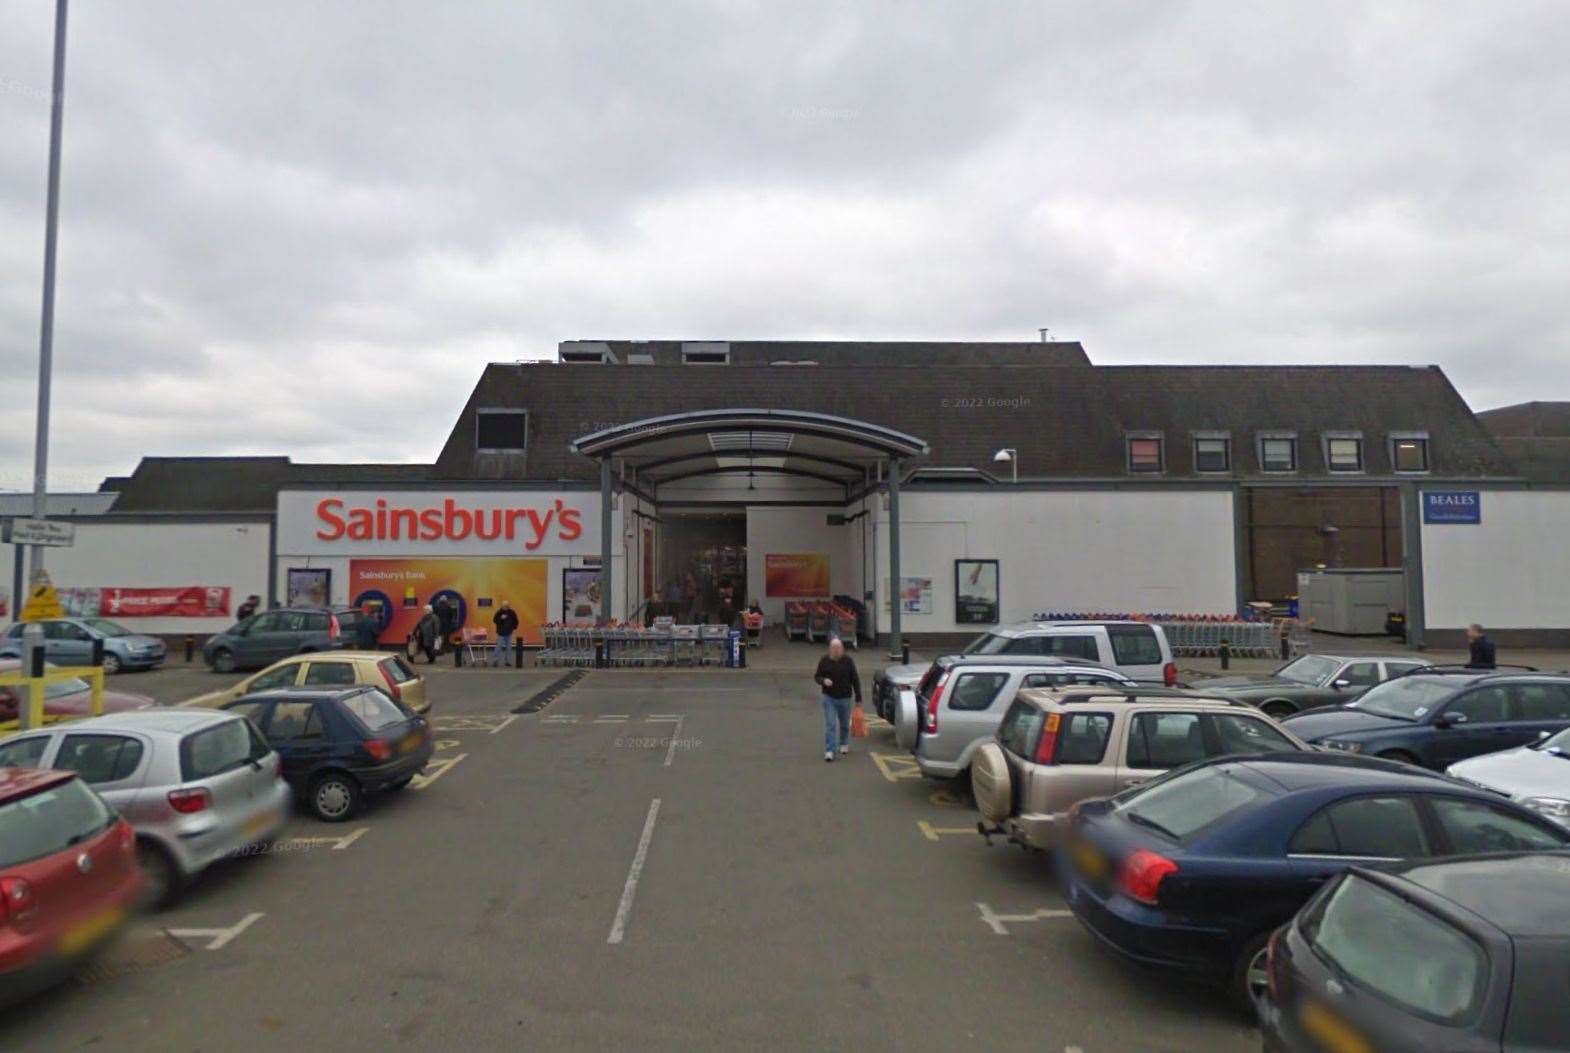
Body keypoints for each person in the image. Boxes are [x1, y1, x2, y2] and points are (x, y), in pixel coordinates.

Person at [813, 637, 862, 762]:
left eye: (838, 648)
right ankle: (830, 750)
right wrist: (823, 680)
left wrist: (858, 698)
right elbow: (817, 676)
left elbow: (855, 679)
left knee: (844, 723)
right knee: (830, 724)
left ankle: (844, 743)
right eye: (833, 648)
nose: (835, 650)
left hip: (845, 697)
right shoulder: (824, 660)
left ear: (842, 649)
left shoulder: (848, 661)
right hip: (829, 697)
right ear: (830, 649)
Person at [491, 600, 519, 666]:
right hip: (501, 633)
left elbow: (516, 620)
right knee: (499, 647)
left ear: (509, 606)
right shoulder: (499, 612)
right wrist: (501, 618)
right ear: (502, 606)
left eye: (507, 606)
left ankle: (507, 661)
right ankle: (495, 661)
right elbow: (494, 620)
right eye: (504, 606)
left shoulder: (512, 612)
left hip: (509, 632)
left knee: (509, 648)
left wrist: (514, 627)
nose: (506, 607)